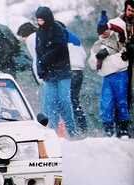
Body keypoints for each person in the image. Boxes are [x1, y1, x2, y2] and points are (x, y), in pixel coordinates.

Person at [35, 6, 77, 137]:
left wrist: (45, 59)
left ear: (47, 18)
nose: (39, 22)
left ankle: (72, 131)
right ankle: (52, 133)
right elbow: (38, 52)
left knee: (64, 101)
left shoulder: (58, 29)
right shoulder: (39, 32)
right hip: (48, 73)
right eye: (38, 20)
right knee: (50, 104)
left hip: (62, 71)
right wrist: (40, 68)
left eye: (41, 20)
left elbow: (60, 48)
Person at [88, 11, 130, 138]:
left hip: (120, 74)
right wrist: (98, 58)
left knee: (122, 101)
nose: (104, 33)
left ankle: (123, 129)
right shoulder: (96, 45)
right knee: (106, 103)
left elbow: (124, 51)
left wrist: (118, 55)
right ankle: (108, 129)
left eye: (105, 29)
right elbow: (91, 64)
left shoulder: (118, 38)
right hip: (107, 77)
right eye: (101, 31)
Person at [108, 0, 134, 136]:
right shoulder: (119, 23)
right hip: (122, 64)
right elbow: (112, 41)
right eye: (129, 10)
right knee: (123, 95)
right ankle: (121, 128)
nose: (131, 13)